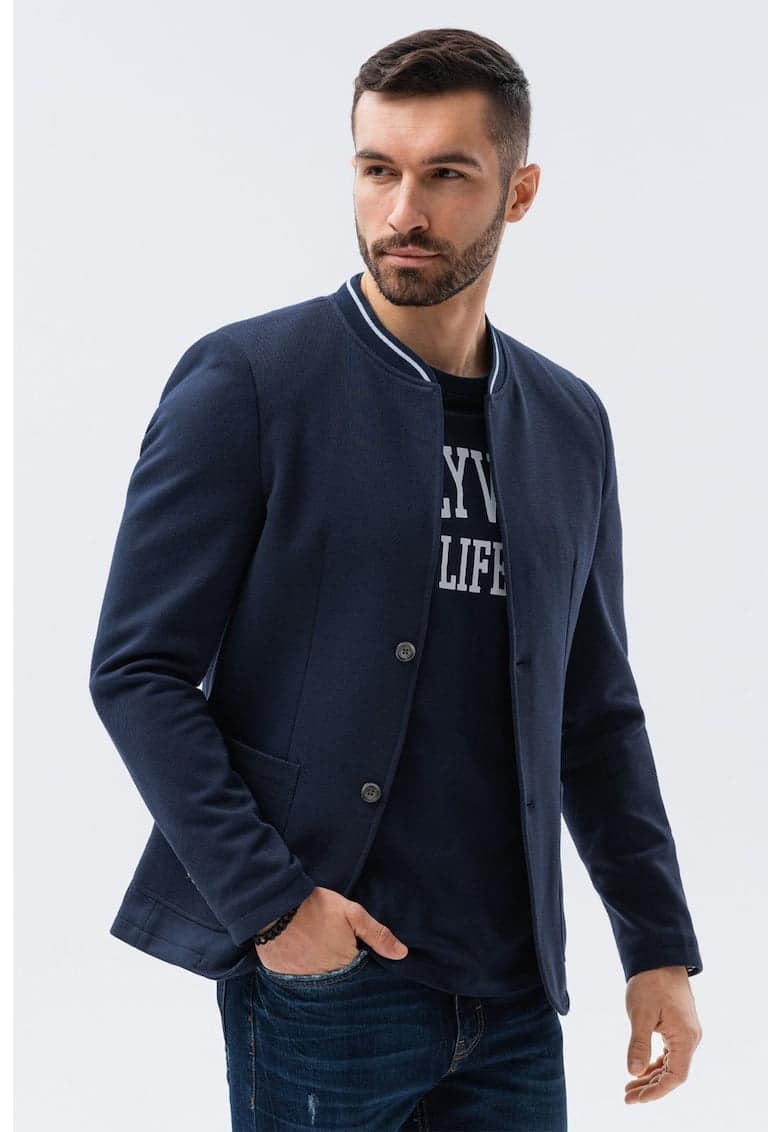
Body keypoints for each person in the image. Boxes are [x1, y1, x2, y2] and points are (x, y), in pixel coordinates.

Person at [88, 26, 704, 1132]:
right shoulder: (251, 382)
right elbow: (137, 670)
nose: (402, 212)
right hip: (332, 977)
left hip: (516, 993)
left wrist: (656, 942)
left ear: (519, 193)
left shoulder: (570, 422)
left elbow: (595, 709)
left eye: (445, 175)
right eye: (378, 170)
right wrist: (276, 906)